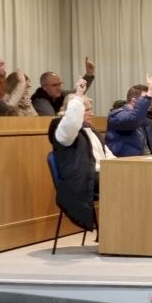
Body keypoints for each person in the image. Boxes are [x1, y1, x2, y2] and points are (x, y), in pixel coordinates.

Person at [49, 81, 112, 231]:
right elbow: (71, 122)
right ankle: (114, 232)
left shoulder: (91, 130)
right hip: (81, 180)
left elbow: (108, 155)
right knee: (123, 183)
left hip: (100, 174)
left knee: (132, 178)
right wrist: (77, 96)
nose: (92, 113)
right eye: (87, 110)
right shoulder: (62, 129)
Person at [106, 76, 152, 157]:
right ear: (134, 101)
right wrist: (149, 92)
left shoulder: (143, 117)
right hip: (124, 161)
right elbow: (133, 120)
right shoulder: (116, 115)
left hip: (143, 159)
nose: (149, 103)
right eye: (145, 99)